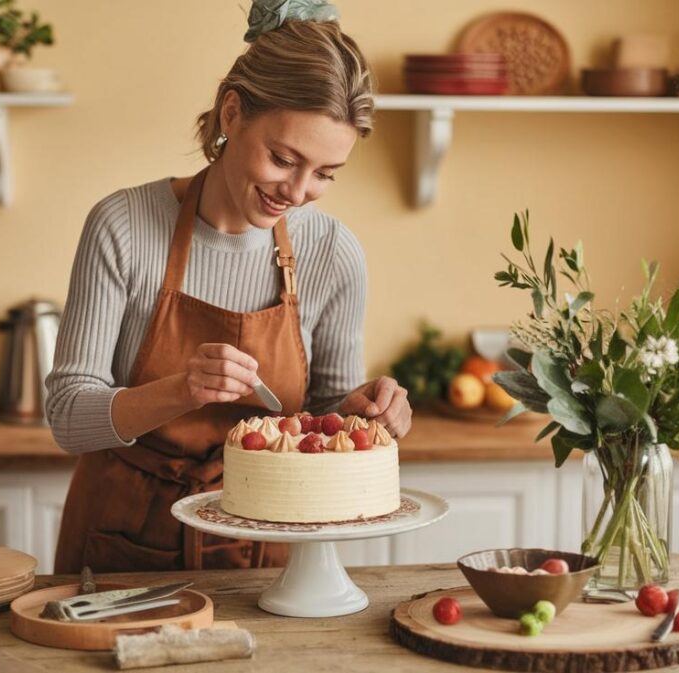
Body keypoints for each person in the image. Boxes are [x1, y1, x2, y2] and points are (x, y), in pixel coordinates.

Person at [47, 0, 412, 574]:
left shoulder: (333, 252)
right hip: (122, 539)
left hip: (268, 547)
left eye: (324, 174)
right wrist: (182, 389)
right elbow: (67, 417)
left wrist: (366, 414)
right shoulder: (122, 225)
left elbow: (323, 417)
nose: (296, 190)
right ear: (232, 113)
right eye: (283, 158)